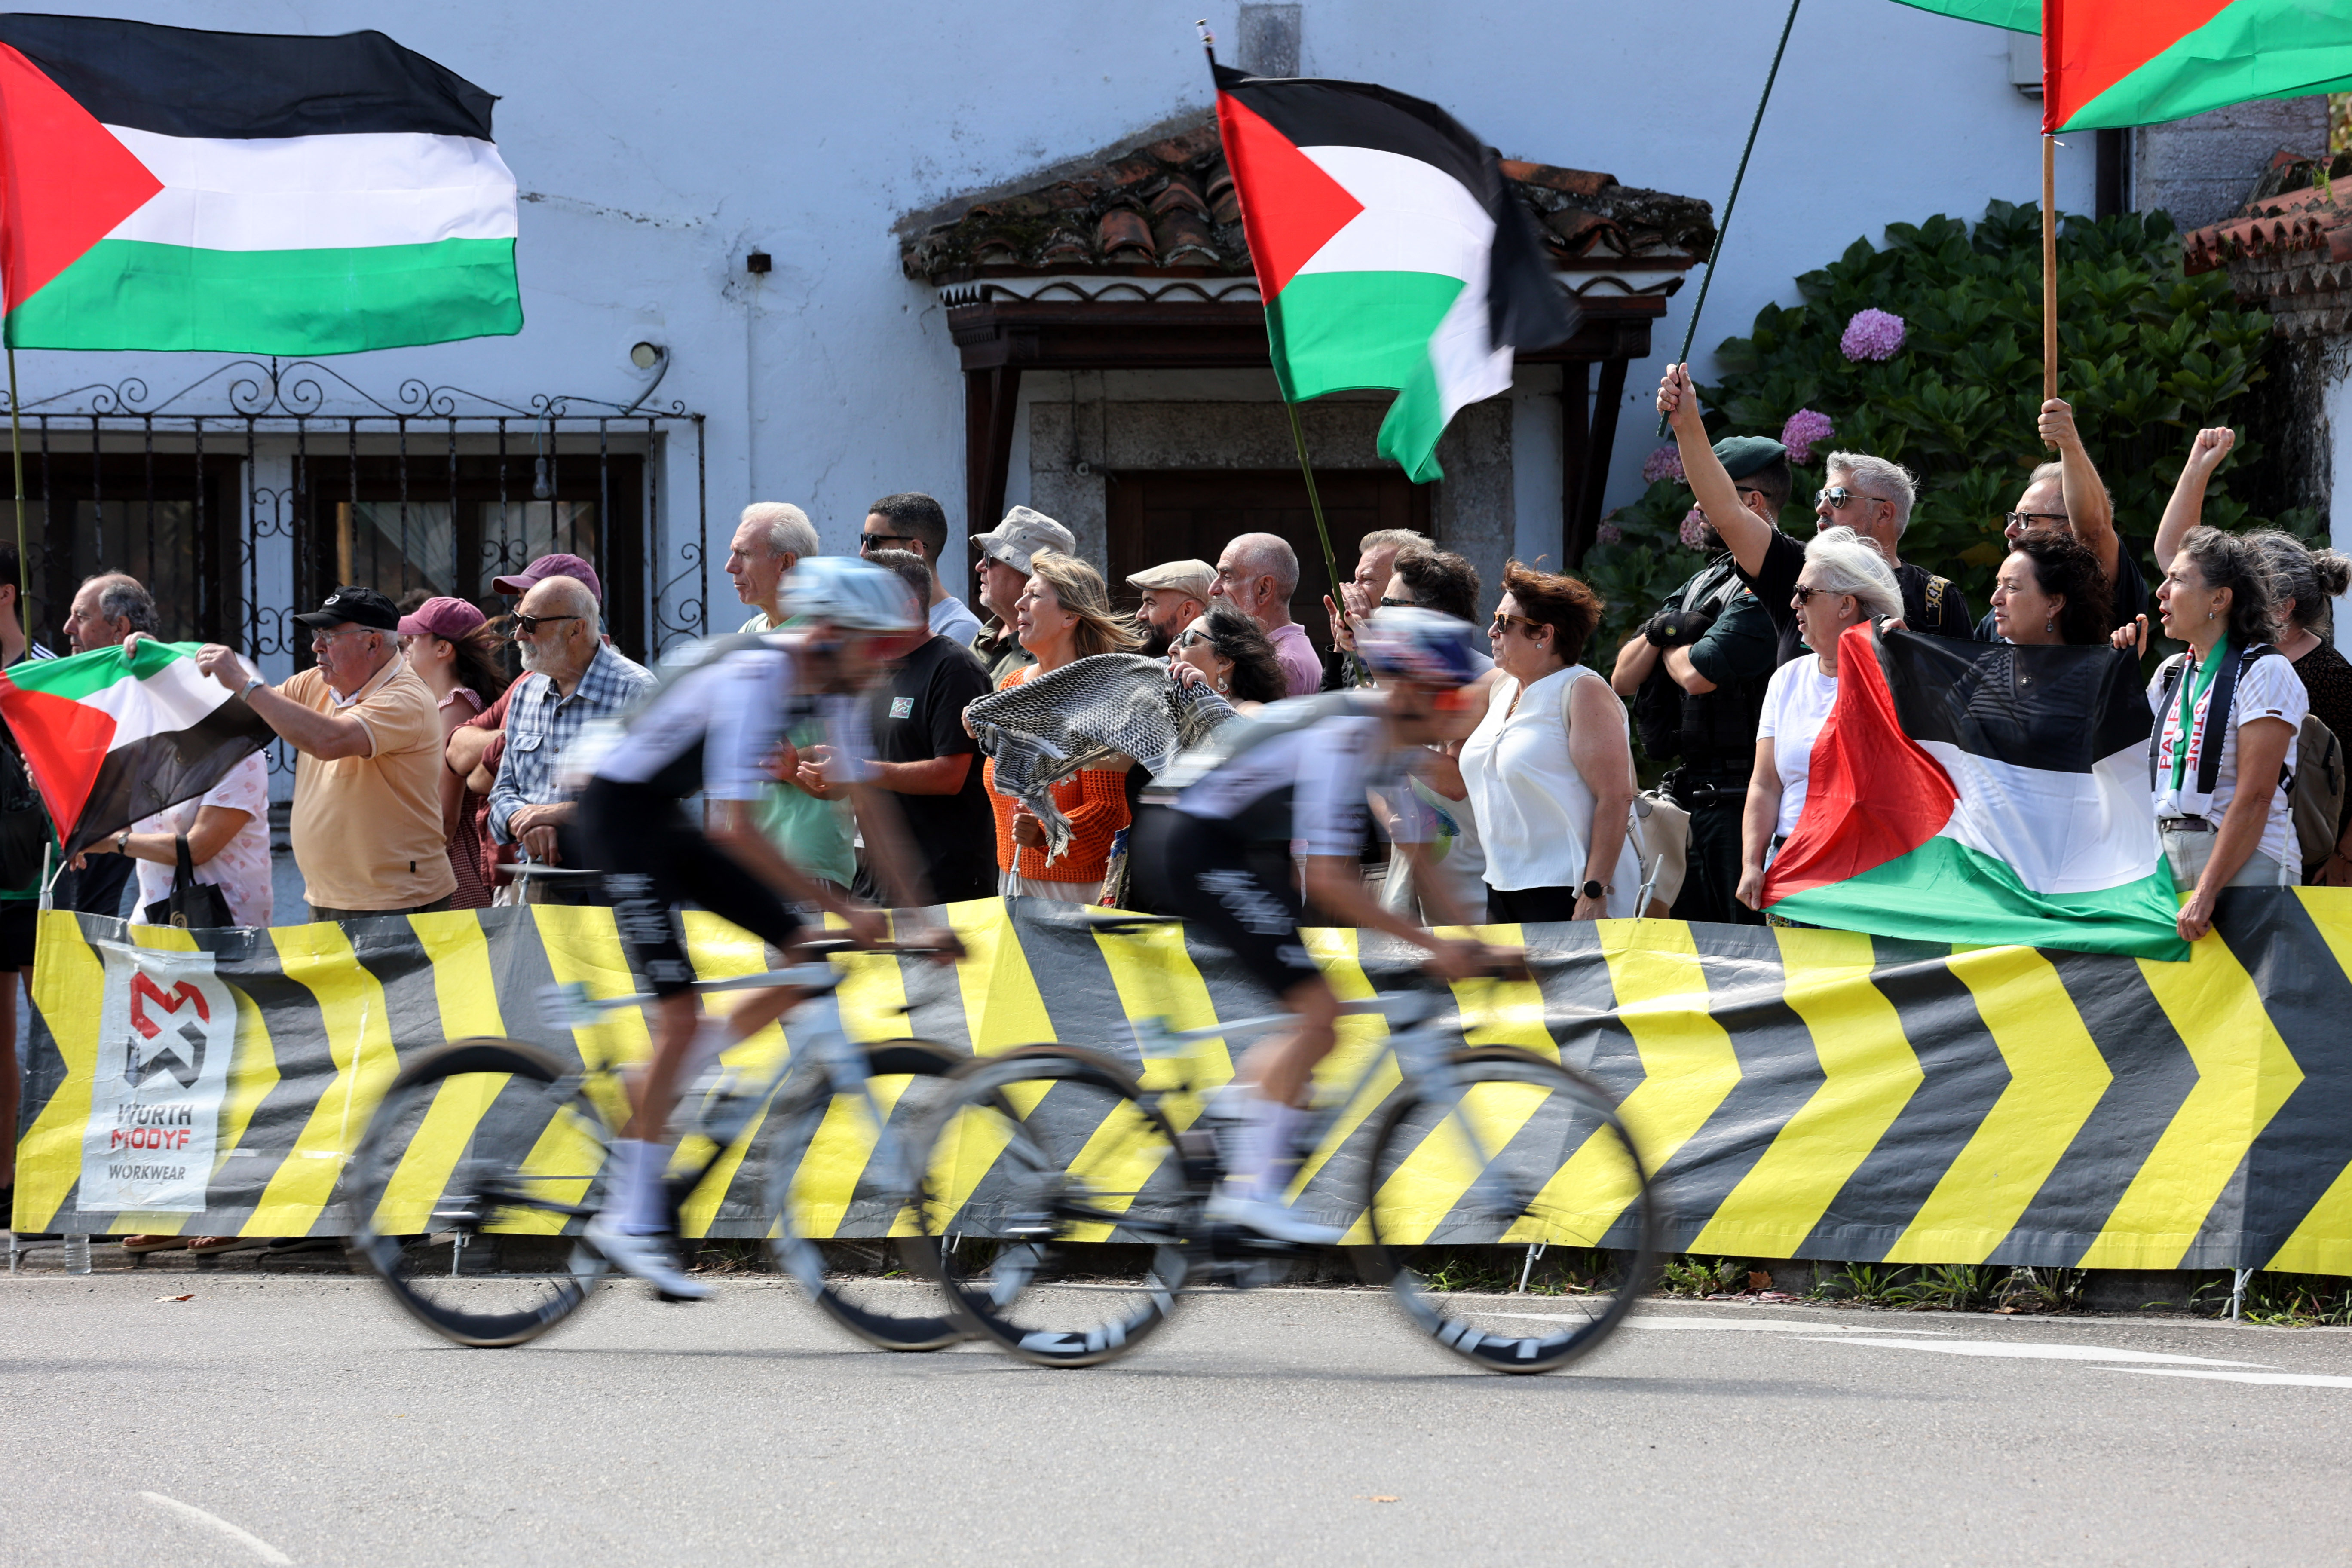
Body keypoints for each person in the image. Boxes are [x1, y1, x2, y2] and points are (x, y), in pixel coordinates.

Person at [575, 557, 955, 1295]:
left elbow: (869, 808)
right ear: (829, 634)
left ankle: (659, 1079)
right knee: (679, 1017)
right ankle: (626, 1217)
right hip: (614, 815)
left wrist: (919, 916)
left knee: (805, 957)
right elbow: (735, 827)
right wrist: (848, 908)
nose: (880, 667)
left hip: (662, 817)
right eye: (871, 648)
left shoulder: (829, 681)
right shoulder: (757, 676)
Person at [1135, 609, 1507, 1243]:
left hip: (1229, 844)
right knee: (1319, 1013)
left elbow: (1419, 854)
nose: (1455, 709)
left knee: (1312, 1025)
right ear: (1412, 690)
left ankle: (1238, 1135)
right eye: (1447, 694)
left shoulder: (1389, 742)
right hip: (1193, 844)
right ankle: (1251, 1196)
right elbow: (1333, 881)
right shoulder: (1351, 736)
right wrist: (1433, 947)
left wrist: (1469, 943)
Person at [1656, 363, 1972, 659]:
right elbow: (1726, 512)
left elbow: (1964, 694)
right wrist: (1686, 424)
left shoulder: (1937, 598)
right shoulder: (1797, 566)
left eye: (1838, 497)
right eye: (1821, 495)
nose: (1821, 507)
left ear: (1885, 514)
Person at [196, 586, 453, 922]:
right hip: (333, 895)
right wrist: (158, 660)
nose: (317, 646)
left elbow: (330, 741)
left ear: (373, 644)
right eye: (318, 634)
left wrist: (244, 683)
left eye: (330, 636)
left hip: (392, 900)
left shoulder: (406, 697)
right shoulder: (320, 682)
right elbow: (250, 713)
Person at [1607, 461, 1779, 926]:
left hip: (1744, 804)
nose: (1698, 506)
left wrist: (1665, 639)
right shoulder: (1705, 580)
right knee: (1687, 945)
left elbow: (1697, 676)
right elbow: (1622, 677)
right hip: (1691, 800)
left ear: (1752, 502)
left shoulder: (1773, 584)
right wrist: (1674, 633)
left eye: (1709, 492)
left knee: (1749, 950)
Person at [2135, 528, 2303, 941]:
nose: (2161, 592)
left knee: (2254, 1004)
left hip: (2248, 865)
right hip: (2170, 859)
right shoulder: (2172, 672)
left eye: (2177, 579)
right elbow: (2118, 766)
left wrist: (2207, 890)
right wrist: (2119, 673)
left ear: (2219, 599)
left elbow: (2257, 796)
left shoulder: (2266, 671)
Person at [1736, 529, 1904, 916]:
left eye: (1806, 593)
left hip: (1868, 875)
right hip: (1791, 867)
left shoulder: (1897, 676)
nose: (1794, 602)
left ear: (1846, 605)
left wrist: (1910, 667)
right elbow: (1765, 784)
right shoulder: (1786, 679)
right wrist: (1752, 864)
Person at [1462, 562, 1641, 922]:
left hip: (1569, 891)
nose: (1492, 632)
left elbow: (1616, 796)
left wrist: (1594, 889)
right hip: (1501, 887)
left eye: (1505, 623)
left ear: (1543, 634)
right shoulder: (1503, 687)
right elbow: (1428, 692)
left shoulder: (1581, 689)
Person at [824, 548, 996, 906]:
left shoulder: (954, 669)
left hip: (944, 890)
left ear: (908, 609)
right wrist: (809, 770)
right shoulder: (873, 669)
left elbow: (951, 776)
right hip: (877, 883)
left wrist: (860, 770)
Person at [447, 553, 604, 903]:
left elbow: (482, 779)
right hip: (519, 873)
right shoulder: (530, 683)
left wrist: (547, 812)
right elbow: (458, 753)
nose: (517, 627)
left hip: (588, 880)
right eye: (519, 608)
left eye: (530, 615)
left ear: (575, 620)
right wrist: (513, 741)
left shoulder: (621, 688)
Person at [986, 552, 1142, 901]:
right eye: (1023, 594)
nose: (1019, 604)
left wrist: (1044, 836)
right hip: (1011, 879)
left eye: (1035, 595)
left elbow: (1108, 814)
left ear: (1071, 615)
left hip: (1077, 890)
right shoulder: (1012, 686)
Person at [487, 576, 655, 897]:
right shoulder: (526, 692)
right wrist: (526, 822)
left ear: (576, 630)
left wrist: (556, 814)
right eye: (518, 620)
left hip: (616, 884)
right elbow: (502, 792)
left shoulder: (636, 691)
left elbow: (651, 804)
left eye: (531, 623)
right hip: (538, 882)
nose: (519, 634)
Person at [1979, 398, 2143, 638]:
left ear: (2070, 527)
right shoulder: (1995, 619)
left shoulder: (2096, 581)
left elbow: (2094, 530)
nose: (2010, 530)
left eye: (2027, 519)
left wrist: (2070, 443)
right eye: (2013, 518)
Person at [2244, 530, 2352, 885]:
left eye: (2249, 589)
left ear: (2283, 608)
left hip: (2318, 859)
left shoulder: (2330, 675)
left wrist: (2345, 856)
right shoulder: (2249, 658)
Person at [397, 596, 512, 910]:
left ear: (443, 649)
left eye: (417, 636)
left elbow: (445, 813)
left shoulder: (456, 704)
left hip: (455, 857)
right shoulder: (442, 702)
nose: (407, 643)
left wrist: (419, 872)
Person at [55, 572, 159, 918]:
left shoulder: (157, 684)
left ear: (120, 628)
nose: (68, 627)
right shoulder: (82, 685)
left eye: (82, 617)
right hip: (82, 862)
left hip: (134, 869)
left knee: (124, 966)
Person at [0, 543, 52, 1214]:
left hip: (41, 883)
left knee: (60, 1043)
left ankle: (63, 1183)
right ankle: (7, 1186)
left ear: (5, 594)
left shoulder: (48, 674)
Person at [968, 506, 1075, 686]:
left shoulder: (1053, 658)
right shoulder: (987, 634)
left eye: (989, 557)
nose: (980, 566)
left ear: (1027, 576)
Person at [861, 492, 983, 645]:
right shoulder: (881, 621)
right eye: (864, 539)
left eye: (875, 541)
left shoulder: (960, 629)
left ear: (914, 550)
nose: (864, 552)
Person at [1212, 532, 1320, 696]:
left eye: (1227, 577)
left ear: (1264, 589)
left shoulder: (1284, 663)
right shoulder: (1274, 651)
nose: (1213, 589)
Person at [1323, 527, 1432, 668]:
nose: (1355, 588)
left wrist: (1367, 642)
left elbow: (1383, 688)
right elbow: (1332, 690)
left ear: (1398, 584)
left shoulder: (1427, 657)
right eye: (1356, 579)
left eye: (1367, 579)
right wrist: (1342, 647)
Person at [1988, 530, 2114, 647]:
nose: (1995, 600)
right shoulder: (1983, 666)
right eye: (1998, 585)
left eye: (2012, 587)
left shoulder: (2100, 670)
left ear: (2054, 603)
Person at [1169, 602, 1288, 712]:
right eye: (1177, 638)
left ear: (1224, 662)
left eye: (1187, 639)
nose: (1171, 649)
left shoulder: (1247, 710)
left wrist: (1208, 703)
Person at [1126, 558, 1215, 658]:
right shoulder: (1153, 670)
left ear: (1187, 611)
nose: (1140, 615)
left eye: (1151, 604)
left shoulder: (1225, 671)